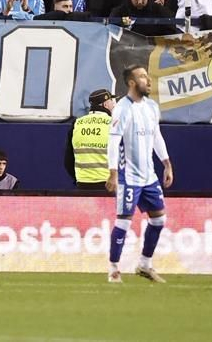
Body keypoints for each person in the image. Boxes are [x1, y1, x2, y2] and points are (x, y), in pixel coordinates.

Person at [106, 64, 173, 284]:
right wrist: (113, 173)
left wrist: (167, 163)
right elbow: (113, 142)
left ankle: (144, 264)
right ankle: (114, 269)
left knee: (159, 219)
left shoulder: (152, 107)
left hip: (149, 176)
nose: (149, 80)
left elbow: (157, 136)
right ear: (132, 83)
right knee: (124, 222)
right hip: (129, 178)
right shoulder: (122, 109)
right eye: (143, 77)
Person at [68, 88, 114, 190]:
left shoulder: (77, 123)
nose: (114, 105)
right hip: (109, 184)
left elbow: (68, 159)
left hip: (83, 184)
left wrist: (79, 178)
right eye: (112, 101)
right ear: (105, 104)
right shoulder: (113, 124)